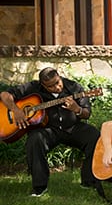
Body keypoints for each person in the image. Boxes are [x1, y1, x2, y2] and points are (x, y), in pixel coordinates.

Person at [0, 67, 101, 197]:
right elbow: (4, 95)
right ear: (42, 84)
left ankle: (89, 182)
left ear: (59, 76)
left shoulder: (74, 87)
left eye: (58, 82)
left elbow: (86, 114)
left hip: (72, 128)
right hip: (48, 130)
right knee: (34, 140)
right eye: (51, 86)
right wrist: (16, 110)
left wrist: (77, 109)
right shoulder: (33, 87)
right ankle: (39, 188)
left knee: (94, 136)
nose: (57, 87)